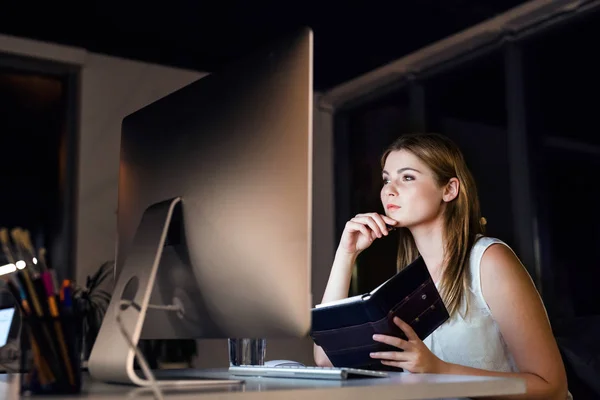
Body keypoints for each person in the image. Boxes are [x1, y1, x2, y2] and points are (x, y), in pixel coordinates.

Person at [313, 133, 570, 400]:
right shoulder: (406, 286)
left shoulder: (488, 261)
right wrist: (346, 254)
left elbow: (552, 387)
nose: (389, 189)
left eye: (407, 177)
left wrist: (438, 369)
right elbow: (325, 358)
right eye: (386, 179)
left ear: (449, 190)